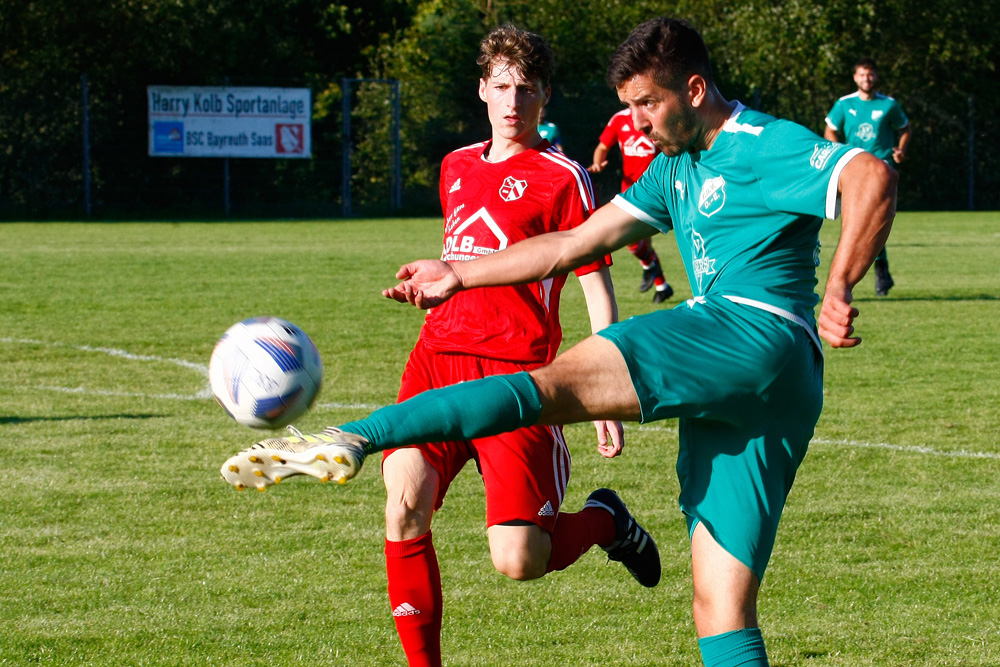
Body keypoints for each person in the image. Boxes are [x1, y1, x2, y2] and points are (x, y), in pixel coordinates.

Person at [221, 17, 897, 667]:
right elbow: (572, 245)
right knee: (719, 606)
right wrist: (459, 272)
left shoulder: (758, 139)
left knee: (547, 390)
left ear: (693, 91)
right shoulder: (673, 166)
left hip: (745, 330)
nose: (634, 123)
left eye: (646, 104)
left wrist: (840, 284)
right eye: (628, 106)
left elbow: (870, 175)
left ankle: (355, 436)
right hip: (774, 393)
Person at [223, 25, 660, 667]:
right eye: (503, 87)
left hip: (519, 379)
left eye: (528, 90)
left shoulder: (564, 177)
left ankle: (606, 520)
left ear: (546, 96)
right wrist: (437, 271)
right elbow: (472, 252)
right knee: (403, 509)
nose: (514, 102)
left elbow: (592, 279)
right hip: (439, 361)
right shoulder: (456, 166)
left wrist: (599, 389)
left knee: (520, 559)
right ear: (483, 89)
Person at [824, 57, 910, 296]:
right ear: (855, 77)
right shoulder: (844, 104)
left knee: (870, 220)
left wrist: (901, 150)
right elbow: (830, 129)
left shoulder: (888, 105)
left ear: (876, 76)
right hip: (855, 171)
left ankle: (874, 273)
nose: (866, 79)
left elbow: (905, 128)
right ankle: (880, 270)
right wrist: (836, 154)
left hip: (882, 169)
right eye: (862, 75)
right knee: (861, 222)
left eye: (870, 74)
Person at [589, 109, 675, 303]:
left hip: (657, 191)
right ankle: (660, 283)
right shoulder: (619, 118)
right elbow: (602, 147)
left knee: (635, 240)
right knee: (632, 239)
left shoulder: (658, 114)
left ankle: (652, 270)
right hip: (631, 192)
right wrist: (597, 163)